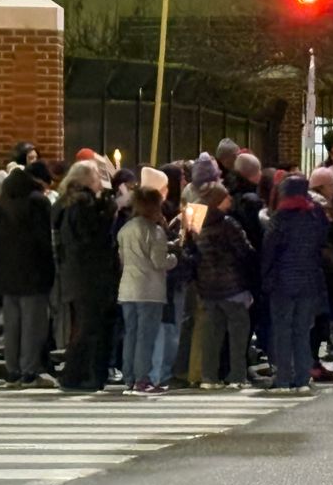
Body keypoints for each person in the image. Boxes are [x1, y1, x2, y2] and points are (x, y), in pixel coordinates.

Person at [53, 160, 119, 391]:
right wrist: (110, 210)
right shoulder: (83, 203)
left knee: (82, 326)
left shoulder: (66, 202)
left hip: (75, 274)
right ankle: (82, 374)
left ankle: (76, 374)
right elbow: (93, 237)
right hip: (89, 276)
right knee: (90, 327)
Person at [262, 175, 330, 393]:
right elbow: (322, 243)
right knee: (302, 331)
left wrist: (265, 278)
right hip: (309, 281)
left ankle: (283, 378)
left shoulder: (280, 217)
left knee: (282, 331)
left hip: (283, 282)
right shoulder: (314, 216)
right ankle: (302, 377)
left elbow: (269, 251)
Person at [0, 167, 57, 389]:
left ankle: (13, 370)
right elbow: (44, 241)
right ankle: (29, 370)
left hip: (7, 273)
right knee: (33, 325)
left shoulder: (1, 203)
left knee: (13, 326)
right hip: (34, 272)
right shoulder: (38, 202)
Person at [192, 183, 257, 390]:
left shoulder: (197, 223)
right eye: (226, 197)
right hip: (233, 288)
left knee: (212, 335)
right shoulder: (228, 224)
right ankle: (237, 375)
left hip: (208, 288)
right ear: (218, 201)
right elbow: (245, 251)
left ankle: (209, 377)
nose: (230, 200)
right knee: (238, 334)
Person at [116, 186, 179, 395]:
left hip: (127, 289)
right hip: (149, 290)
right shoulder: (154, 231)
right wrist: (173, 258)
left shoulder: (125, 229)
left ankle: (130, 377)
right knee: (146, 336)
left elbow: (122, 259)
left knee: (131, 334)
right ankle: (143, 379)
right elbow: (158, 261)